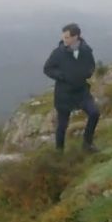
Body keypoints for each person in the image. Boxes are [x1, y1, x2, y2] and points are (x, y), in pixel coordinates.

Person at [42, 22, 100, 152]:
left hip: (81, 92)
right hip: (64, 94)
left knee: (94, 113)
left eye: (67, 37)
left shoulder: (86, 50)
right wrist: (62, 76)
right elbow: (47, 69)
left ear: (76, 37)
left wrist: (87, 73)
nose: (64, 39)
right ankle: (59, 153)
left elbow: (91, 65)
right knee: (62, 125)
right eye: (64, 37)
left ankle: (87, 144)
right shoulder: (58, 53)